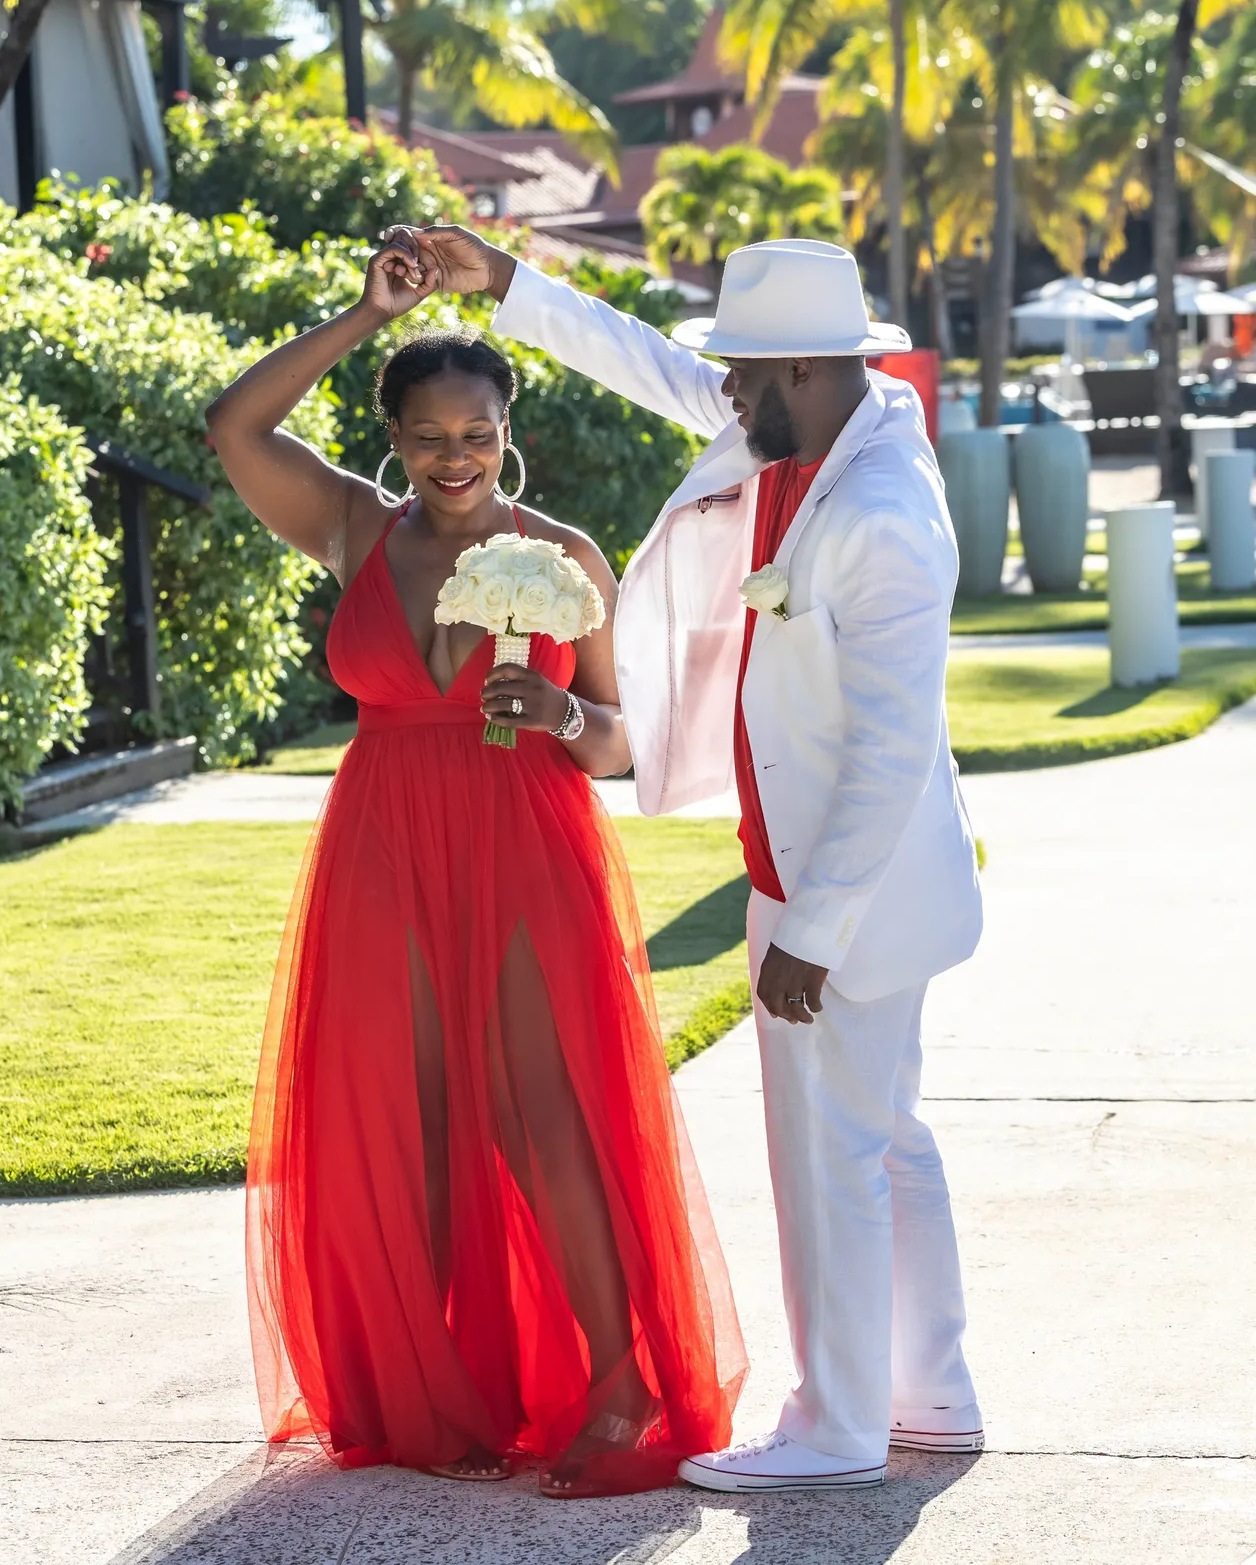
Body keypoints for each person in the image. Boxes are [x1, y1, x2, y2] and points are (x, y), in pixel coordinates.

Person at [390, 224, 985, 1491]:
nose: (721, 391)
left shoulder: (878, 512)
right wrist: (502, 283)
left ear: (810, 370)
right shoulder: (813, 425)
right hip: (825, 872)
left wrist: (806, 936)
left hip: (845, 891)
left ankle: (832, 1428)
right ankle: (931, 1391)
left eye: (744, 375)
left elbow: (884, 751)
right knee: (885, 1136)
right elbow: (649, 361)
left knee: (829, 1159)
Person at [205, 235, 745, 1499]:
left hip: (524, 841)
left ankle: (616, 1384)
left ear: (510, 432)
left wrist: (561, 718)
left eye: (478, 433)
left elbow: (627, 744)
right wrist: (361, 310)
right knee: (417, 1113)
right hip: (384, 841)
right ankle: (435, 1390)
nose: (456, 456)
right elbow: (235, 422)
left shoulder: (565, 555)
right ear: (394, 439)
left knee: (537, 1109)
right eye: (430, 434)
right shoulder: (349, 524)